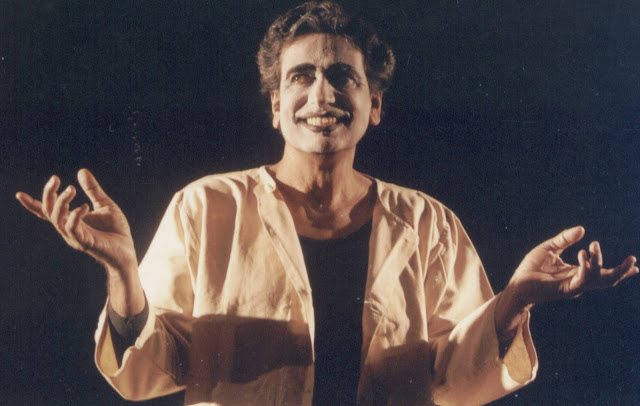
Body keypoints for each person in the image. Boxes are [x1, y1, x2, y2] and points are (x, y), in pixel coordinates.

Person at [15, 2, 637, 405]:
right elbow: (153, 368)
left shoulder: (429, 223)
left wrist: (516, 298)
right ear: (275, 106)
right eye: (301, 76)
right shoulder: (205, 207)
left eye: (343, 76)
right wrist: (124, 272)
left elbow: (453, 376)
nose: (322, 93)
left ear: (375, 105)